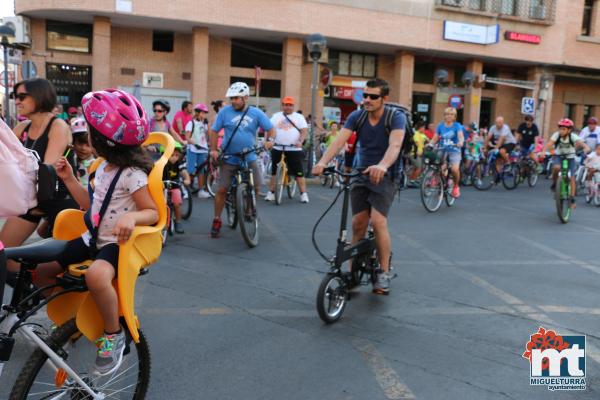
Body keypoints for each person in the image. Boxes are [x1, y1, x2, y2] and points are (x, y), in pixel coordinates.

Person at [35, 88, 158, 375]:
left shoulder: (132, 175)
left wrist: (134, 218)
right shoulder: (101, 169)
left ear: (102, 140)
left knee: (96, 275)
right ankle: (68, 320)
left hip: (117, 243)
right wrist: (70, 180)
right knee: (41, 272)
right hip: (92, 237)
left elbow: (152, 212)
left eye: (90, 131)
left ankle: (113, 336)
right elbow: (90, 207)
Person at [313, 78, 406, 295]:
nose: (367, 100)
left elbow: (395, 145)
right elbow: (338, 141)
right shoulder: (357, 116)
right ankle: (353, 271)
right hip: (360, 171)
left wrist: (382, 165)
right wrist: (322, 162)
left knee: (378, 221)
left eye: (373, 96)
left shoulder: (395, 117)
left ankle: (383, 273)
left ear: (384, 98)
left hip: (385, 173)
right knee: (357, 223)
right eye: (365, 95)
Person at [0, 78, 75, 270]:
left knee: (58, 269)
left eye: (22, 96)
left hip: (59, 202)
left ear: (40, 96)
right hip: (30, 200)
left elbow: (46, 173)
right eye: (15, 97)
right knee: (3, 255)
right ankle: (28, 289)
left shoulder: (58, 126)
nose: (17, 101)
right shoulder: (21, 128)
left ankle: (35, 286)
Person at [208, 82, 275, 238]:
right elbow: (214, 131)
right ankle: (217, 219)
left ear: (245, 97)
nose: (233, 101)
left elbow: (270, 128)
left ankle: (249, 208)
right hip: (229, 156)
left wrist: (270, 140)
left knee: (257, 184)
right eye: (232, 98)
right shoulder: (224, 112)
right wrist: (213, 150)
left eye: (236, 98)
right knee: (222, 189)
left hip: (250, 155)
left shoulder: (256, 113)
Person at [265, 96, 310, 203]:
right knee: (274, 172)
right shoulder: (276, 116)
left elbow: (304, 131)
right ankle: (271, 193)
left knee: (299, 173)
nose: (288, 107)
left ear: (293, 106)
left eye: (290, 105)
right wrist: (268, 140)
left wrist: (300, 141)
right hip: (277, 147)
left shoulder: (299, 117)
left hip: (294, 149)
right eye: (286, 105)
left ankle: (303, 194)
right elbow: (269, 128)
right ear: (282, 106)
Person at [544, 118, 590, 205]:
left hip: (570, 157)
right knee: (556, 168)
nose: (561, 131)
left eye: (564, 129)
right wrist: (543, 151)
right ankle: (555, 183)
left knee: (572, 177)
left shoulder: (573, 136)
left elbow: (582, 143)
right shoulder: (556, 135)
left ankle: (572, 197)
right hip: (559, 156)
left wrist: (586, 148)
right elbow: (549, 143)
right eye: (560, 128)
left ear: (569, 130)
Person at [432, 107, 464, 198]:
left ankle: (456, 186)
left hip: (454, 150)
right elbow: (435, 137)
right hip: (442, 149)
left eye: (451, 114)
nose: (449, 116)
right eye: (447, 114)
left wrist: (460, 142)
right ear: (444, 116)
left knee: (454, 169)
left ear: (454, 117)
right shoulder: (440, 125)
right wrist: (430, 144)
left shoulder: (457, 125)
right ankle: (441, 187)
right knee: (440, 169)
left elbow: (460, 136)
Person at [163, 142, 191, 233]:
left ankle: (178, 221)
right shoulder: (162, 163)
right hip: (162, 186)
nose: (174, 157)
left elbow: (183, 171)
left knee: (177, 203)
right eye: (172, 155)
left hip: (174, 185)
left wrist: (187, 179)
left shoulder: (178, 163)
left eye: (176, 155)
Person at [185, 103, 211, 199]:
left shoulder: (204, 124)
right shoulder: (191, 123)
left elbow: (208, 135)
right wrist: (194, 143)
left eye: (205, 113)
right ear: (197, 112)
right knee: (191, 170)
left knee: (201, 171)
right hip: (193, 149)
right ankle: (185, 189)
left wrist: (207, 125)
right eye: (203, 113)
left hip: (202, 150)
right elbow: (187, 137)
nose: (204, 115)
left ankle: (200, 190)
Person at [70, 117, 96, 188]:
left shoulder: (96, 164)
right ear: (73, 142)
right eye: (80, 143)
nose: (83, 148)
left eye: (88, 145)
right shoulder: (71, 160)